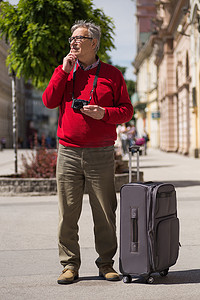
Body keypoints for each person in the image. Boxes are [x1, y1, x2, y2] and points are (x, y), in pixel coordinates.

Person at [42, 20, 133, 284]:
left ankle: (106, 263)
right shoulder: (65, 71)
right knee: (67, 213)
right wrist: (62, 71)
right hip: (68, 152)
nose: (73, 42)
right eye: (71, 38)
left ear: (93, 43)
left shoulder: (113, 75)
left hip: (101, 153)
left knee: (104, 212)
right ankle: (69, 264)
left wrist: (104, 113)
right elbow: (48, 101)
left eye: (79, 38)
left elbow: (127, 111)